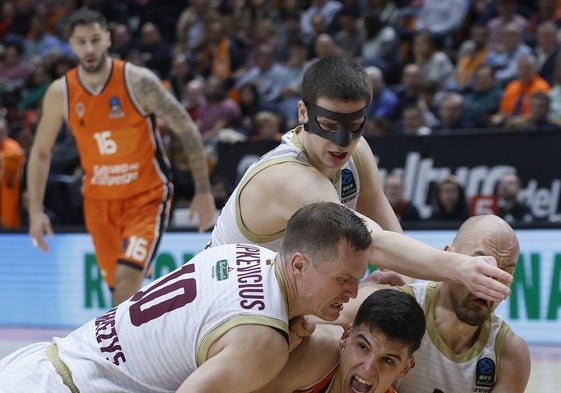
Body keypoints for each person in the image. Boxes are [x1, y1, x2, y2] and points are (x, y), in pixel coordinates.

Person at [210, 55, 513, 303]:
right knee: (339, 331)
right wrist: (460, 267)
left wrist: (399, 288)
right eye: (328, 124)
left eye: (354, 125)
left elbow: (392, 242)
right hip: (221, 301)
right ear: (303, 113)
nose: (342, 142)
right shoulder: (289, 178)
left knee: (396, 315)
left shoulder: (357, 153)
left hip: (268, 302)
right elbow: (372, 242)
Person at [0, 202, 373, 393]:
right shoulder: (264, 343)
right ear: (299, 265)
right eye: (343, 279)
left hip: (38, 364)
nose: (352, 291)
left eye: (359, 280)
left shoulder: (244, 254)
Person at [26, 9, 216, 306]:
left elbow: (186, 128)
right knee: (119, 295)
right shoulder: (60, 92)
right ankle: (142, 343)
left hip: (146, 197)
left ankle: (127, 350)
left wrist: (203, 191)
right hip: (99, 202)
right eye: (81, 42)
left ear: (108, 40)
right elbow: (40, 152)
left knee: (127, 281)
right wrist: (36, 210)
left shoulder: (137, 81)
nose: (89, 49)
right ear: (71, 45)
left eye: (95, 40)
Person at [336, 214, 531, 393]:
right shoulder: (393, 304)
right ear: (448, 255)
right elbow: (314, 323)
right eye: (480, 264)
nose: (490, 281)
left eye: (504, 273)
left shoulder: (510, 354)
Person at [252, 288, 426, 393]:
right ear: (347, 336)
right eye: (363, 347)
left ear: (405, 367)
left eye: (387, 360)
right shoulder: (317, 352)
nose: (368, 368)